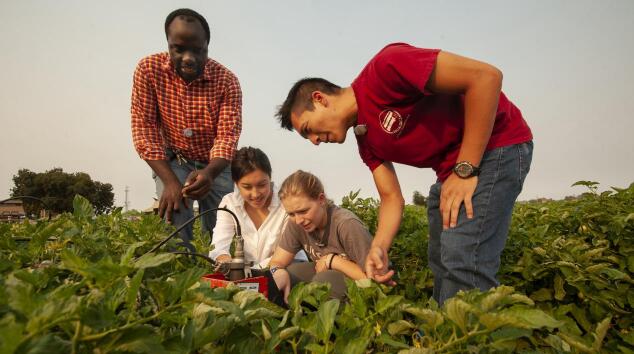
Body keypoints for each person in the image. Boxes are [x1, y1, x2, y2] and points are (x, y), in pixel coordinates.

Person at [275, 43, 533, 304]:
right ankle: (444, 331)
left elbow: (486, 77)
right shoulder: (367, 140)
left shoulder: (386, 68)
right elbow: (391, 198)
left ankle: (473, 337)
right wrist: (378, 247)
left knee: (463, 256)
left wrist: (465, 169)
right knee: (442, 257)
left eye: (308, 128)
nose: (314, 141)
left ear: (319, 99)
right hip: (452, 171)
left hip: (496, 146)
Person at [131, 8, 242, 248]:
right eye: (179, 49)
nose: (189, 58)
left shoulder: (227, 81)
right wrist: (171, 182)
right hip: (173, 161)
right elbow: (145, 131)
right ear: (168, 44)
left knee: (223, 225)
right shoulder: (148, 71)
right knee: (174, 217)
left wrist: (209, 174)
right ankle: (182, 274)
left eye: (197, 50)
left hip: (216, 163)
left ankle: (221, 276)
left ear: (207, 47)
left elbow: (227, 136)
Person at [268, 170, 372, 302]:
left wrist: (333, 261)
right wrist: (277, 271)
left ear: (321, 199)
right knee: (291, 273)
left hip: (359, 284)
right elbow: (277, 261)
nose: (298, 220)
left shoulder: (346, 224)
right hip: (329, 275)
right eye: (291, 214)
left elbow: (372, 279)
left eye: (303, 211)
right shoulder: (297, 223)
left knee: (323, 283)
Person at [209, 147, 307, 269]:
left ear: (270, 178)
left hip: (289, 267)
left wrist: (246, 272)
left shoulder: (286, 204)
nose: (255, 194)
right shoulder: (229, 203)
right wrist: (226, 262)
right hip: (251, 274)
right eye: (247, 187)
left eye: (262, 185)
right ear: (235, 183)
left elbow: (286, 253)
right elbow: (218, 247)